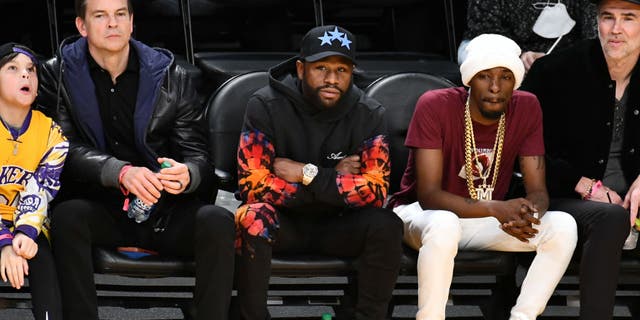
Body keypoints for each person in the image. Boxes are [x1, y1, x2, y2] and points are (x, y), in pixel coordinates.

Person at [35, 0, 236, 319]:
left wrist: (188, 175)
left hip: (164, 209)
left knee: (218, 221)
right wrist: (119, 172)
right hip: (100, 206)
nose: (112, 24)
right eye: (100, 16)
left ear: (131, 23)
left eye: (119, 15)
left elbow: (199, 156)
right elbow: (61, 148)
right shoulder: (56, 74)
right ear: (82, 27)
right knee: (67, 217)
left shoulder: (171, 74)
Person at [389, 34, 578, 320]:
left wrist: (528, 214)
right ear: (468, 79)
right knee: (444, 223)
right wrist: (495, 208)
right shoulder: (435, 104)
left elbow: (538, 190)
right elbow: (428, 196)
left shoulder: (527, 107)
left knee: (563, 226)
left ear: (516, 81)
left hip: (485, 219)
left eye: (505, 77)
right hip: (420, 216)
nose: (494, 87)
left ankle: (523, 317)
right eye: (484, 76)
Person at [234, 25, 404, 320]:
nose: (331, 79)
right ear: (301, 69)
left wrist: (308, 174)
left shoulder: (369, 112)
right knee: (252, 216)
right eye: (321, 68)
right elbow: (253, 185)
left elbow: (376, 192)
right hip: (284, 222)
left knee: (386, 224)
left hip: (338, 224)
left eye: (342, 70)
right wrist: (337, 180)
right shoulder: (264, 105)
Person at [521, 0, 640, 318]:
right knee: (610, 218)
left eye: (628, 19)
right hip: (564, 195)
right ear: (596, 22)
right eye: (607, 18)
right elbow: (523, 149)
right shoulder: (555, 71)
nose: (616, 29)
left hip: (632, 197)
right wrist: (584, 185)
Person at [0, 43, 67, 320]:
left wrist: (23, 235)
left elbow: (40, 191)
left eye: (31, 70)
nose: (25, 75)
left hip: (27, 224)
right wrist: (3, 241)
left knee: (40, 256)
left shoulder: (53, 133)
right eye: (12, 69)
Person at [459, 0, 598, 71]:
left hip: (565, 55)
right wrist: (519, 57)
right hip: (503, 50)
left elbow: (593, 34)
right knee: (490, 60)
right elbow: (486, 30)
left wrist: (557, 60)